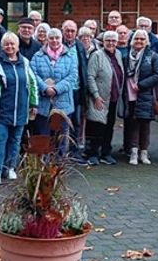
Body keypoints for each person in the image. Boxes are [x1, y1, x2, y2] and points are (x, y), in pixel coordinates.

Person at [0, 32, 38, 184]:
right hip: (0, 111)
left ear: (17, 46)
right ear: (2, 46)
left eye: (12, 44)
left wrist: (34, 104)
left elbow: (32, 84)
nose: (9, 47)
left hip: (20, 110)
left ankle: (11, 168)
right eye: (6, 44)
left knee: (15, 141)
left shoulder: (25, 63)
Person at [30, 27, 79, 152]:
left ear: (61, 39)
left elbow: (72, 77)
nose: (54, 41)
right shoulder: (37, 56)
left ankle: (59, 167)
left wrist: (56, 89)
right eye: (51, 38)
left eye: (57, 38)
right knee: (43, 138)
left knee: (60, 139)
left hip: (63, 105)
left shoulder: (70, 57)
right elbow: (32, 75)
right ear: (47, 39)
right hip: (43, 104)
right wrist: (45, 88)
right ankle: (44, 167)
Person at [122, 29, 158, 165]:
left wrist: (141, 85)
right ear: (132, 41)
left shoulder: (153, 56)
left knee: (145, 125)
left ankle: (143, 153)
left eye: (142, 39)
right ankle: (133, 153)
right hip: (130, 95)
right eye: (136, 39)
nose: (139, 41)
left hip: (145, 95)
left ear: (147, 42)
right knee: (133, 125)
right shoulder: (127, 56)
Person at [85, 31, 124, 166]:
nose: (111, 43)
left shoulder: (118, 54)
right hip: (99, 98)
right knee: (97, 126)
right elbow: (90, 76)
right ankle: (93, 154)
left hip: (113, 98)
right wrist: (96, 95)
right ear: (103, 42)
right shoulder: (97, 55)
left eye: (113, 40)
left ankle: (106, 153)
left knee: (109, 126)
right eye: (108, 40)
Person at [61, 19, 88, 157]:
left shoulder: (79, 46)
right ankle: (59, 152)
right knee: (61, 122)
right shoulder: (58, 44)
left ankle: (75, 152)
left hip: (77, 89)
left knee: (76, 122)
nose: (70, 33)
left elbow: (83, 67)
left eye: (72, 31)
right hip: (62, 91)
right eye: (67, 30)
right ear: (63, 31)